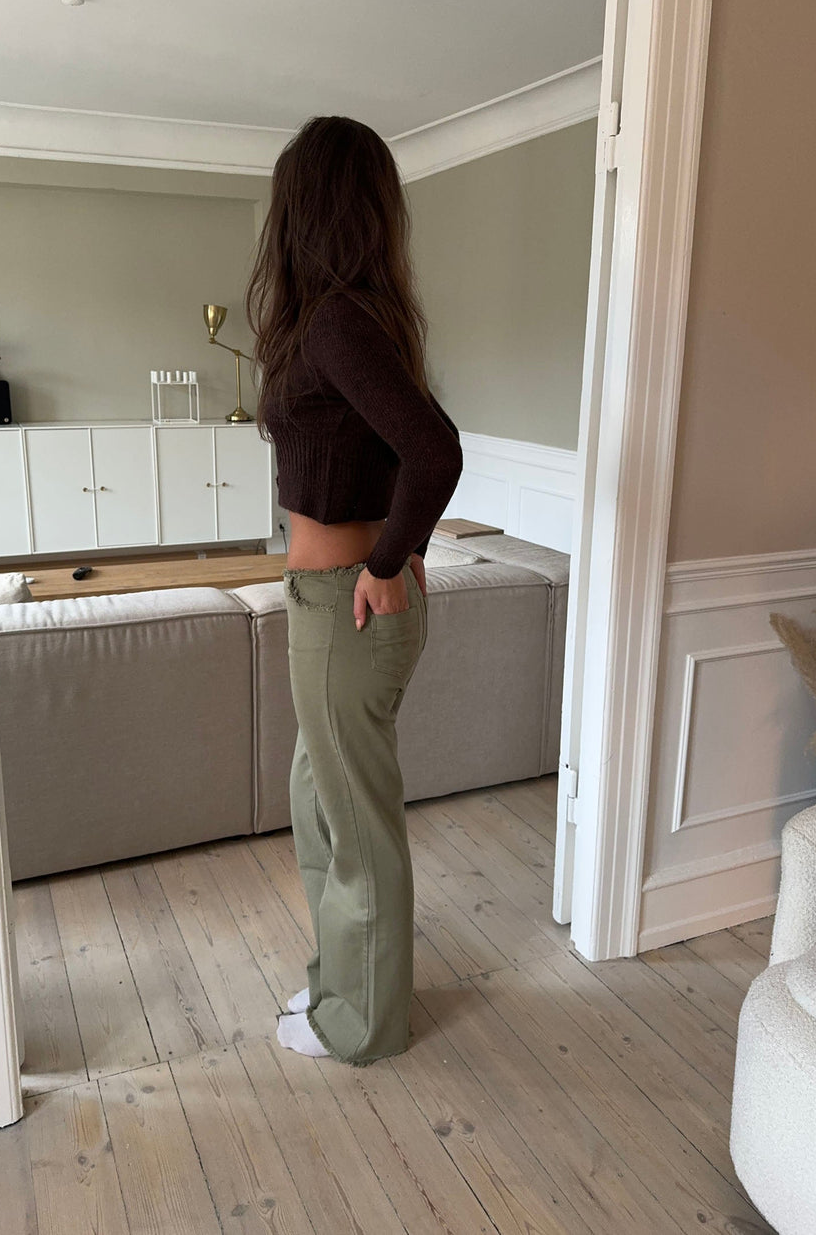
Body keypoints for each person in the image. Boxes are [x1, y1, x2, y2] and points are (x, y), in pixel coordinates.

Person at [245, 115, 463, 1064]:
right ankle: (342, 979)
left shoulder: (338, 321)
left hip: (346, 605)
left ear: (306, 209)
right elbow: (414, 445)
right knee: (319, 801)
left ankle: (362, 1021)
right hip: (335, 604)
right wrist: (397, 550)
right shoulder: (348, 323)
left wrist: (388, 559)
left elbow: (435, 451)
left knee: (354, 824)